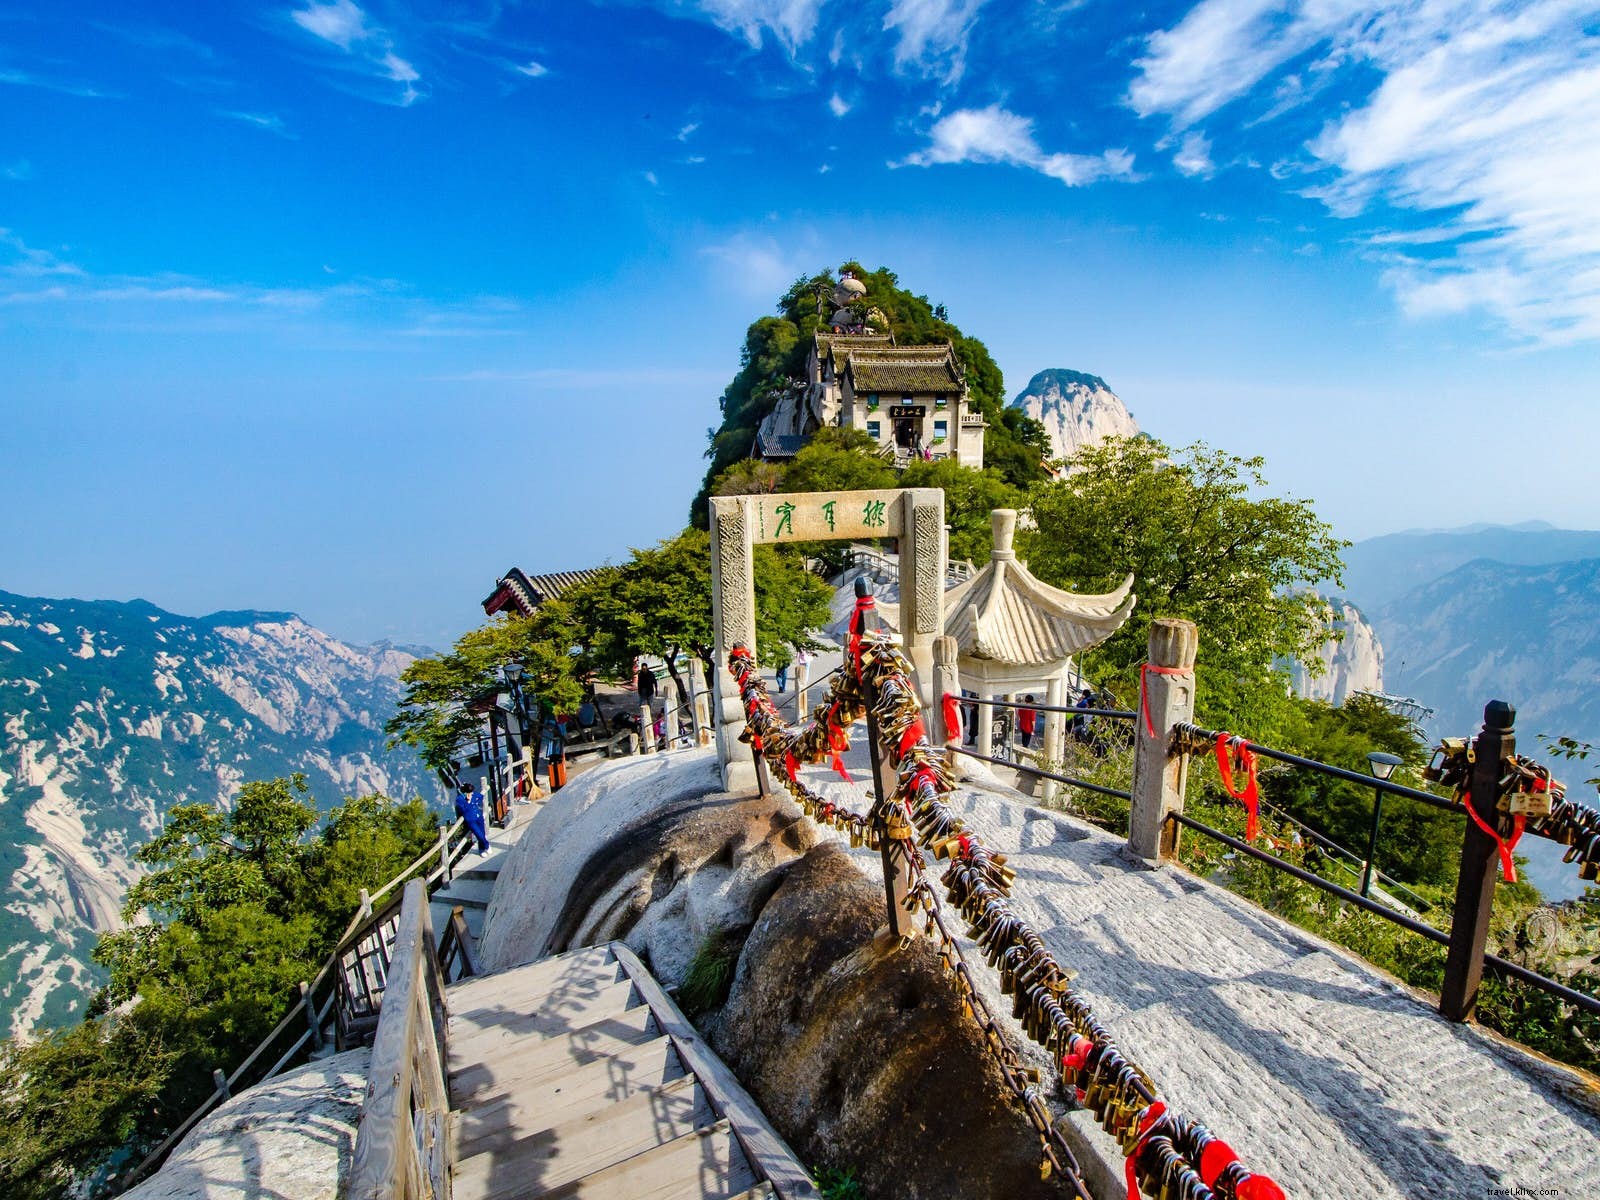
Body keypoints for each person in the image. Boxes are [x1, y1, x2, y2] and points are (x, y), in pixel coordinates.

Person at [454, 781, 490, 855]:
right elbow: (463, 810)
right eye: (470, 792)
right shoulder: (460, 799)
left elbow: (480, 796)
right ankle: (487, 845)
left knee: (482, 833)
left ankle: (481, 850)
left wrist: (476, 801)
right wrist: (468, 801)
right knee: (479, 834)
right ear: (466, 793)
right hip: (471, 820)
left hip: (479, 817)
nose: (472, 793)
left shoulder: (474, 795)